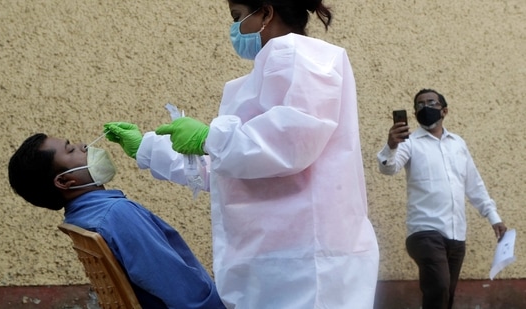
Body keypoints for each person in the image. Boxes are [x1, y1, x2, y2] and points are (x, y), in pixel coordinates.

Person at [104, 0, 379, 308]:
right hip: (280, 259)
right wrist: (148, 147)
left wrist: (210, 138)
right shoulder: (264, 75)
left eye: (237, 17)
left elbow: (288, 143)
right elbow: (233, 167)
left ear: (265, 12)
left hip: (306, 261)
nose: (234, 29)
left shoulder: (298, 55)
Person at [8, 133, 226, 309]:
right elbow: (186, 295)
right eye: (70, 149)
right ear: (64, 181)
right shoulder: (115, 214)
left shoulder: (80, 217)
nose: (83, 145)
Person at [377, 88, 507, 309]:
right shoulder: (409, 143)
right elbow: (389, 168)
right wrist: (391, 145)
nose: (424, 107)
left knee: (445, 294)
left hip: (456, 234)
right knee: (438, 286)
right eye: (419, 105)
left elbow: (474, 185)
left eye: (431, 103)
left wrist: (494, 217)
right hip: (424, 232)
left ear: (444, 110)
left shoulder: (458, 144)